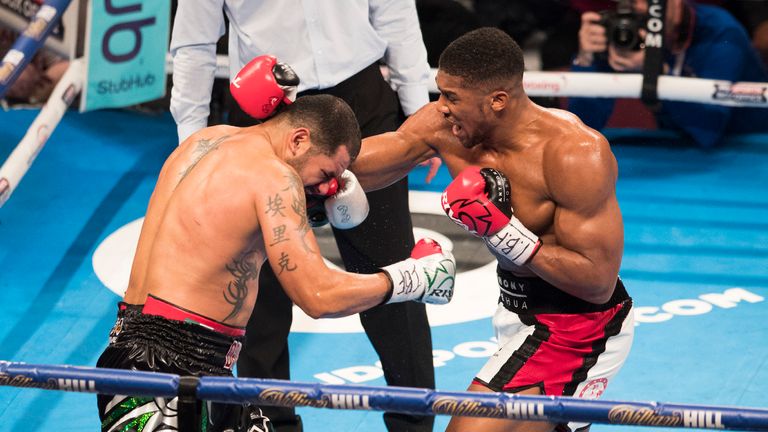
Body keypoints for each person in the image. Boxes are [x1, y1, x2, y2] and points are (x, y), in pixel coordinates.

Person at [95, 93, 457, 432]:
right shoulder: (275, 177)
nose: (325, 189)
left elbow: (361, 166)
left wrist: (420, 136)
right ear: (299, 140)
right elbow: (318, 295)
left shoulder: (204, 141)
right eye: (327, 175)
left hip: (144, 353)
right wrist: (411, 278)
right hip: (169, 372)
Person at [348, 27, 635, 432]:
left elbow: (596, 282)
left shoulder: (573, 154)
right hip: (515, 309)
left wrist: (503, 231)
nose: (441, 107)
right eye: (441, 93)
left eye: (453, 98)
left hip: (577, 326)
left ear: (497, 100)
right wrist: (303, 163)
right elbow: (377, 159)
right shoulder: (446, 126)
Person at [168, 3, 437, 431]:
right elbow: (194, 42)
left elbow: (394, 9)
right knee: (259, 297)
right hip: (265, 110)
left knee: (390, 274)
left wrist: (417, 113)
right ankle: (270, 425)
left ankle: (414, 427)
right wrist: (194, 147)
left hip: (361, 105)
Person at [570, 0, 768, 148]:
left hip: (749, 148)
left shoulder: (721, 32)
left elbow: (708, 129)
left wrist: (656, 70)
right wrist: (586, 60)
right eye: (630, 1)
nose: (639, 7)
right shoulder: (627, 30)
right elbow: (584, 129)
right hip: (678, 149)